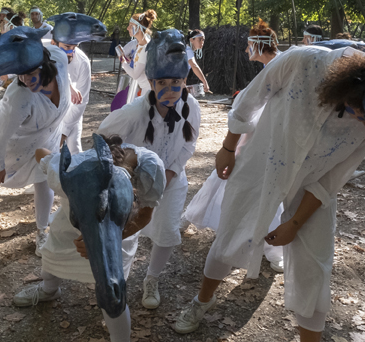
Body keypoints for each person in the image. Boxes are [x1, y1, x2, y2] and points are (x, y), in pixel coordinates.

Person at [170, 43, 365, 342]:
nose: (363, 123)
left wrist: (295, 223)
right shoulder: (304, 62)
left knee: (316, 267)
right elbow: (251, 99)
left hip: (311, 185)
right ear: (351, 87)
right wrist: (227, 147)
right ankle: (202, 301)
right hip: (260, 164)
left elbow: (334, 177)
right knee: (230, 240)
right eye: (359, 112)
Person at [13, 137, 166, 342]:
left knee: (110, 284)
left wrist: (113, 236)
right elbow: (41, 151)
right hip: (74, 216)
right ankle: (49, 289)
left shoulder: (150, 170)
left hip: (121, 226)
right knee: (54, 253)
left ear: (133, 193)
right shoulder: (66, 173)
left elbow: (146, 214)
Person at [97, 30, 201, 309]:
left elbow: (188, 145)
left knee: (166, 231)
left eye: (176, 82)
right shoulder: (134, 113)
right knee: (127, 233)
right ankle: (119, 279)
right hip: (135, 185)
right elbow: (103, 137)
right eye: (162, 82)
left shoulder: (191, 106)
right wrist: (123, 167)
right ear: (151, 82)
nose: (169, 88)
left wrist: (170, 173)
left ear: (185, 80)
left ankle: (151, 278)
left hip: (172, 181)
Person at [0, 29, 71, 254]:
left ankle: (41, 230)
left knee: (44, 178)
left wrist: (66, 127)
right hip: (16, 144)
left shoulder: (59, 59)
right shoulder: (20, 96)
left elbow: (67, 78)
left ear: (45, 65)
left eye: (30, 73)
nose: (25, 80)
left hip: (49, 135)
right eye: (20, 76)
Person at [184, 20, 285, 272]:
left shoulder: (278, 68)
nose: (245, 50)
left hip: (269, 136)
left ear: (257, 45)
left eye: (249, 45)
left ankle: (272, 248)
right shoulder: (270, 68)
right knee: (229, 176)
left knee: (265, 186)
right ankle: (195, 217)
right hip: (252, 135)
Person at [56, 30, 91, 153]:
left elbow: (81, 101)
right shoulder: (44, 51)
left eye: (74, 47)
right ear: (55, 42)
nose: (71, 52)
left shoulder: (83, 62)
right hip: (48, 109)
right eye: (67, 47)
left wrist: (64, 132)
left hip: (71, 107)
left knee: (74, 148)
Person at [116, 9, 154, 101]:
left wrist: (124, 63)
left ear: (138, 28)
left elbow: (135, 75)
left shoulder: (145, 48)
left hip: (149, 93)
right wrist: (130, 61)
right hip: (147, 90)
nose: (127, 28)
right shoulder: (141, 45)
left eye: (130, 25)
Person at [185, 29, 212, 97]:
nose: (202, 42)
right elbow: (194, 66)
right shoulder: (188, 50)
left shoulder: (187, 50)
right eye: (199, 39)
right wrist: (205, 82)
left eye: (203, 40)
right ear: (191, 40)